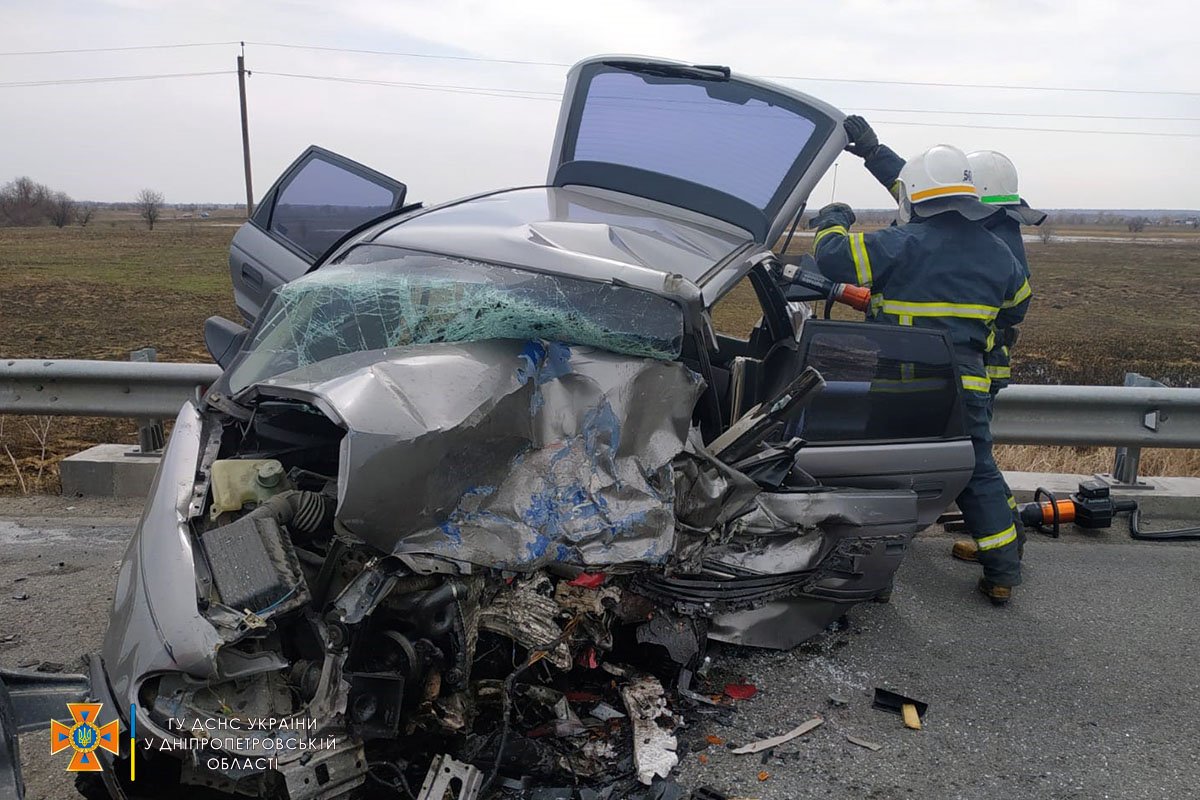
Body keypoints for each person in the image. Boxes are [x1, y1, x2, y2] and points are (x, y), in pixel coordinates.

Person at [809, 144, 1031, 605]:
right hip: (965, 387)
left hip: (899, 384)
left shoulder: (901, 243)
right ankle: (1003, 573)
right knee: (979, 473)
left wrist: (832, 218)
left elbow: (833, 258)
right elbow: (1015, 309)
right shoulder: (1000, 254)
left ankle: (871, 580)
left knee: (880, 475)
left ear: (915, 197)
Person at [842, 116, 1045, 563]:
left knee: (946, 465)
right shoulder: (989, 233)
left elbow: (920, 210)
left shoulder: (990, 243)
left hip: (950, 371)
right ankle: (1005, 554)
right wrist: (875, 153)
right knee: (979, 467)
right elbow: (917, 190)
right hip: (969, 373)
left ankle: (877, 563)